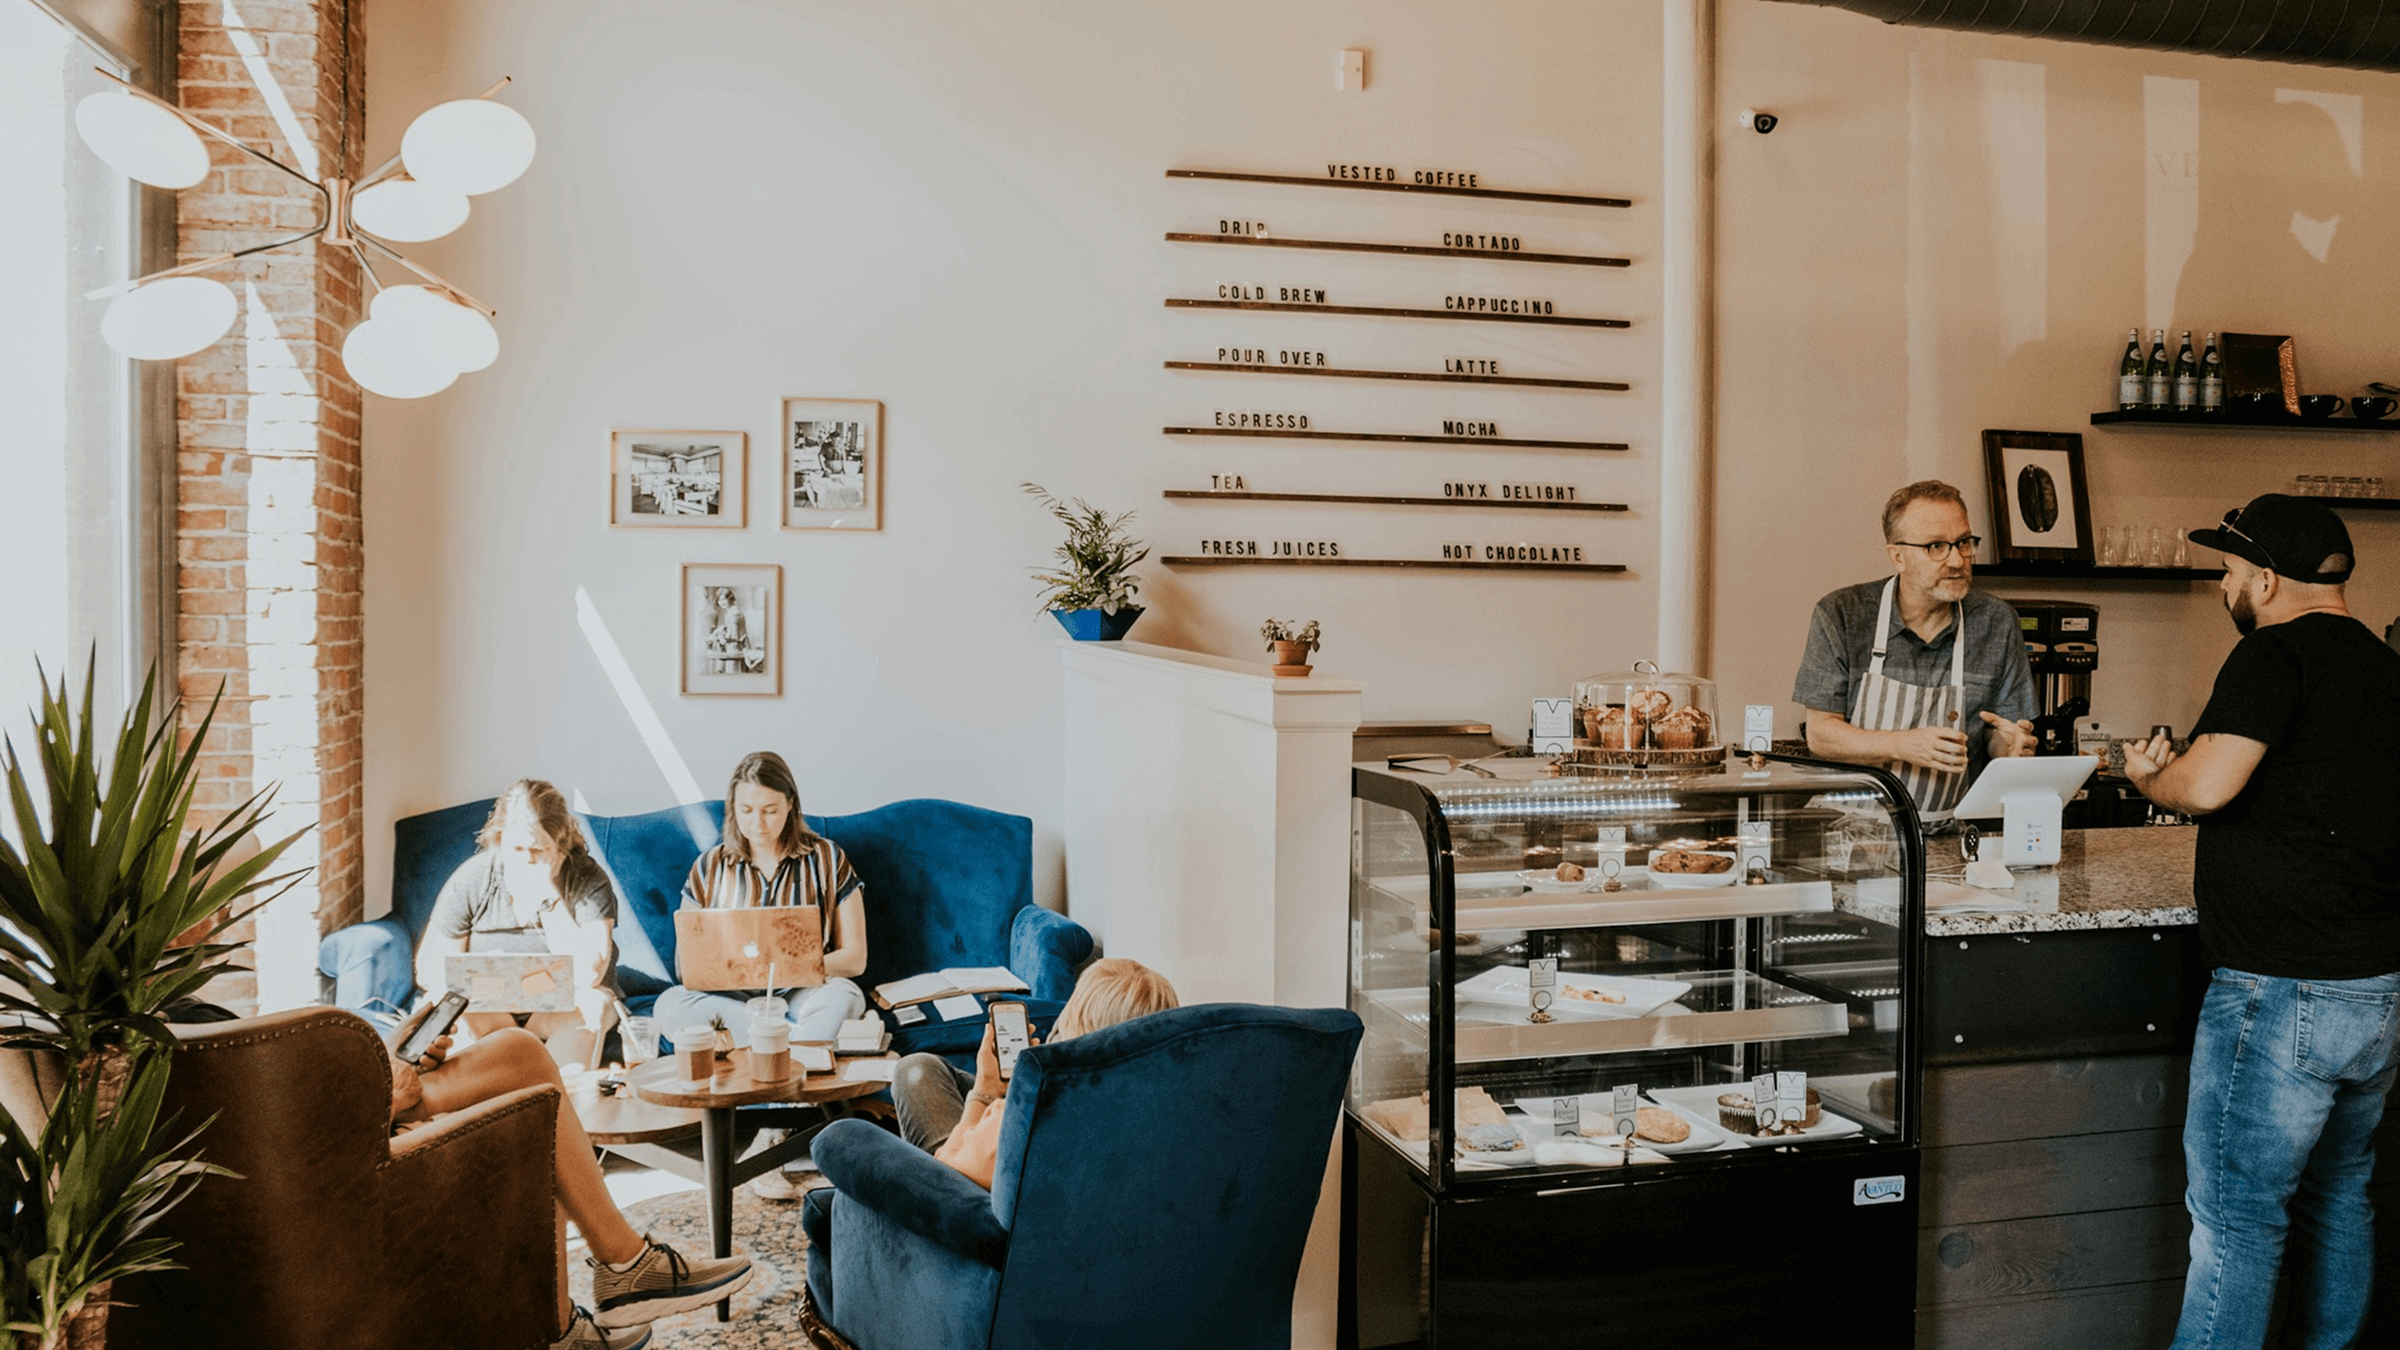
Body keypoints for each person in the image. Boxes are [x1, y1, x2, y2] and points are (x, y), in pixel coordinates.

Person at [2121, 493, 2400, 1350]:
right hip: (2378, 988)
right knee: (2338, 1198)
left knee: (2237, 1220)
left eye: (2231, 571)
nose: (2224, 587)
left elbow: (2204, 786)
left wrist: (2145, 778)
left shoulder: (2274, 656)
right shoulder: (2386, 665)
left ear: (2268, 580)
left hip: (2280, 993)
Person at [384, 1001, 754, 1350]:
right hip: (358, 1130)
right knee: (522, 1061)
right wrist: (387, 1096)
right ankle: (619, 1272)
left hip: (360, 1106)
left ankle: (573, 1315)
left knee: (524, 1072)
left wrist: (387, 1053)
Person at [1791, 479, 2039, 822]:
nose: (1957, 560)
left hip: (1953, 833)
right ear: (1898, 556)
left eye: (1964, 543)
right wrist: (1904, 745)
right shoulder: (1843, 614)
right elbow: (1821, 735)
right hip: (1850, 833)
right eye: (1936, 546)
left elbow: (1997, 735)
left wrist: (2009, 746)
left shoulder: (1997, 623)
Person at [889, 958, 1180, 1190]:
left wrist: (984, 1092)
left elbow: (943, 1178)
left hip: (973, 1188)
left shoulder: (1021, 1113)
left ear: (1079, 1027)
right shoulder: (1166, 1114)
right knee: (924, 1068)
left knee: (911, 1072)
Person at [653, 751, 868, 1045]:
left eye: (770, 810)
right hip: (734, 1003)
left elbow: (856, 958)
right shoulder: (709, 866)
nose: (758, 823)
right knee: (669, 1006)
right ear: (732, 808)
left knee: (846, 995)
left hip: (805, 994)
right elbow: (686, 969)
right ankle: (790, 1042)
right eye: (746, 810)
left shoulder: (827, 857)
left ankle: (769, 1042)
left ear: (790, 804)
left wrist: (785, 969)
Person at [415, 780, 618, 1068]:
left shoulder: (585, 877)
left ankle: (562, 1101)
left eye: (539, 850)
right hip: (492, 1003)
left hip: (565, 1005)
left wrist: (547, 895)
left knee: (590, 1005)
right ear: (498, 840)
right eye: (517, 848)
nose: (526, 860)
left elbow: (588, 974)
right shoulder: (475, 877)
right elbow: (428, 970)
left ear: (560, 845)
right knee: (444, 1000)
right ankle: (484, 1099)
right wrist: (491, 976)